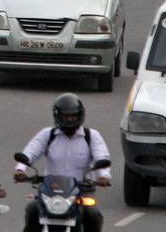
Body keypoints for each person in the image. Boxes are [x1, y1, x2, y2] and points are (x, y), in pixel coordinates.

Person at [14, 94, 110, 232]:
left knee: (93, 213)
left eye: (73, 115)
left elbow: (102, 155)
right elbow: (30, 152)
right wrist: (20, 170)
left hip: (82, 191)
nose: (70, 119)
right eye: (66, 116)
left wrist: (104, 176)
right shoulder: (48, 134)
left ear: (80, 115)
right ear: (57, 116)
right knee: (32, 209)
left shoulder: (91, 136)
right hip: (50, 191)